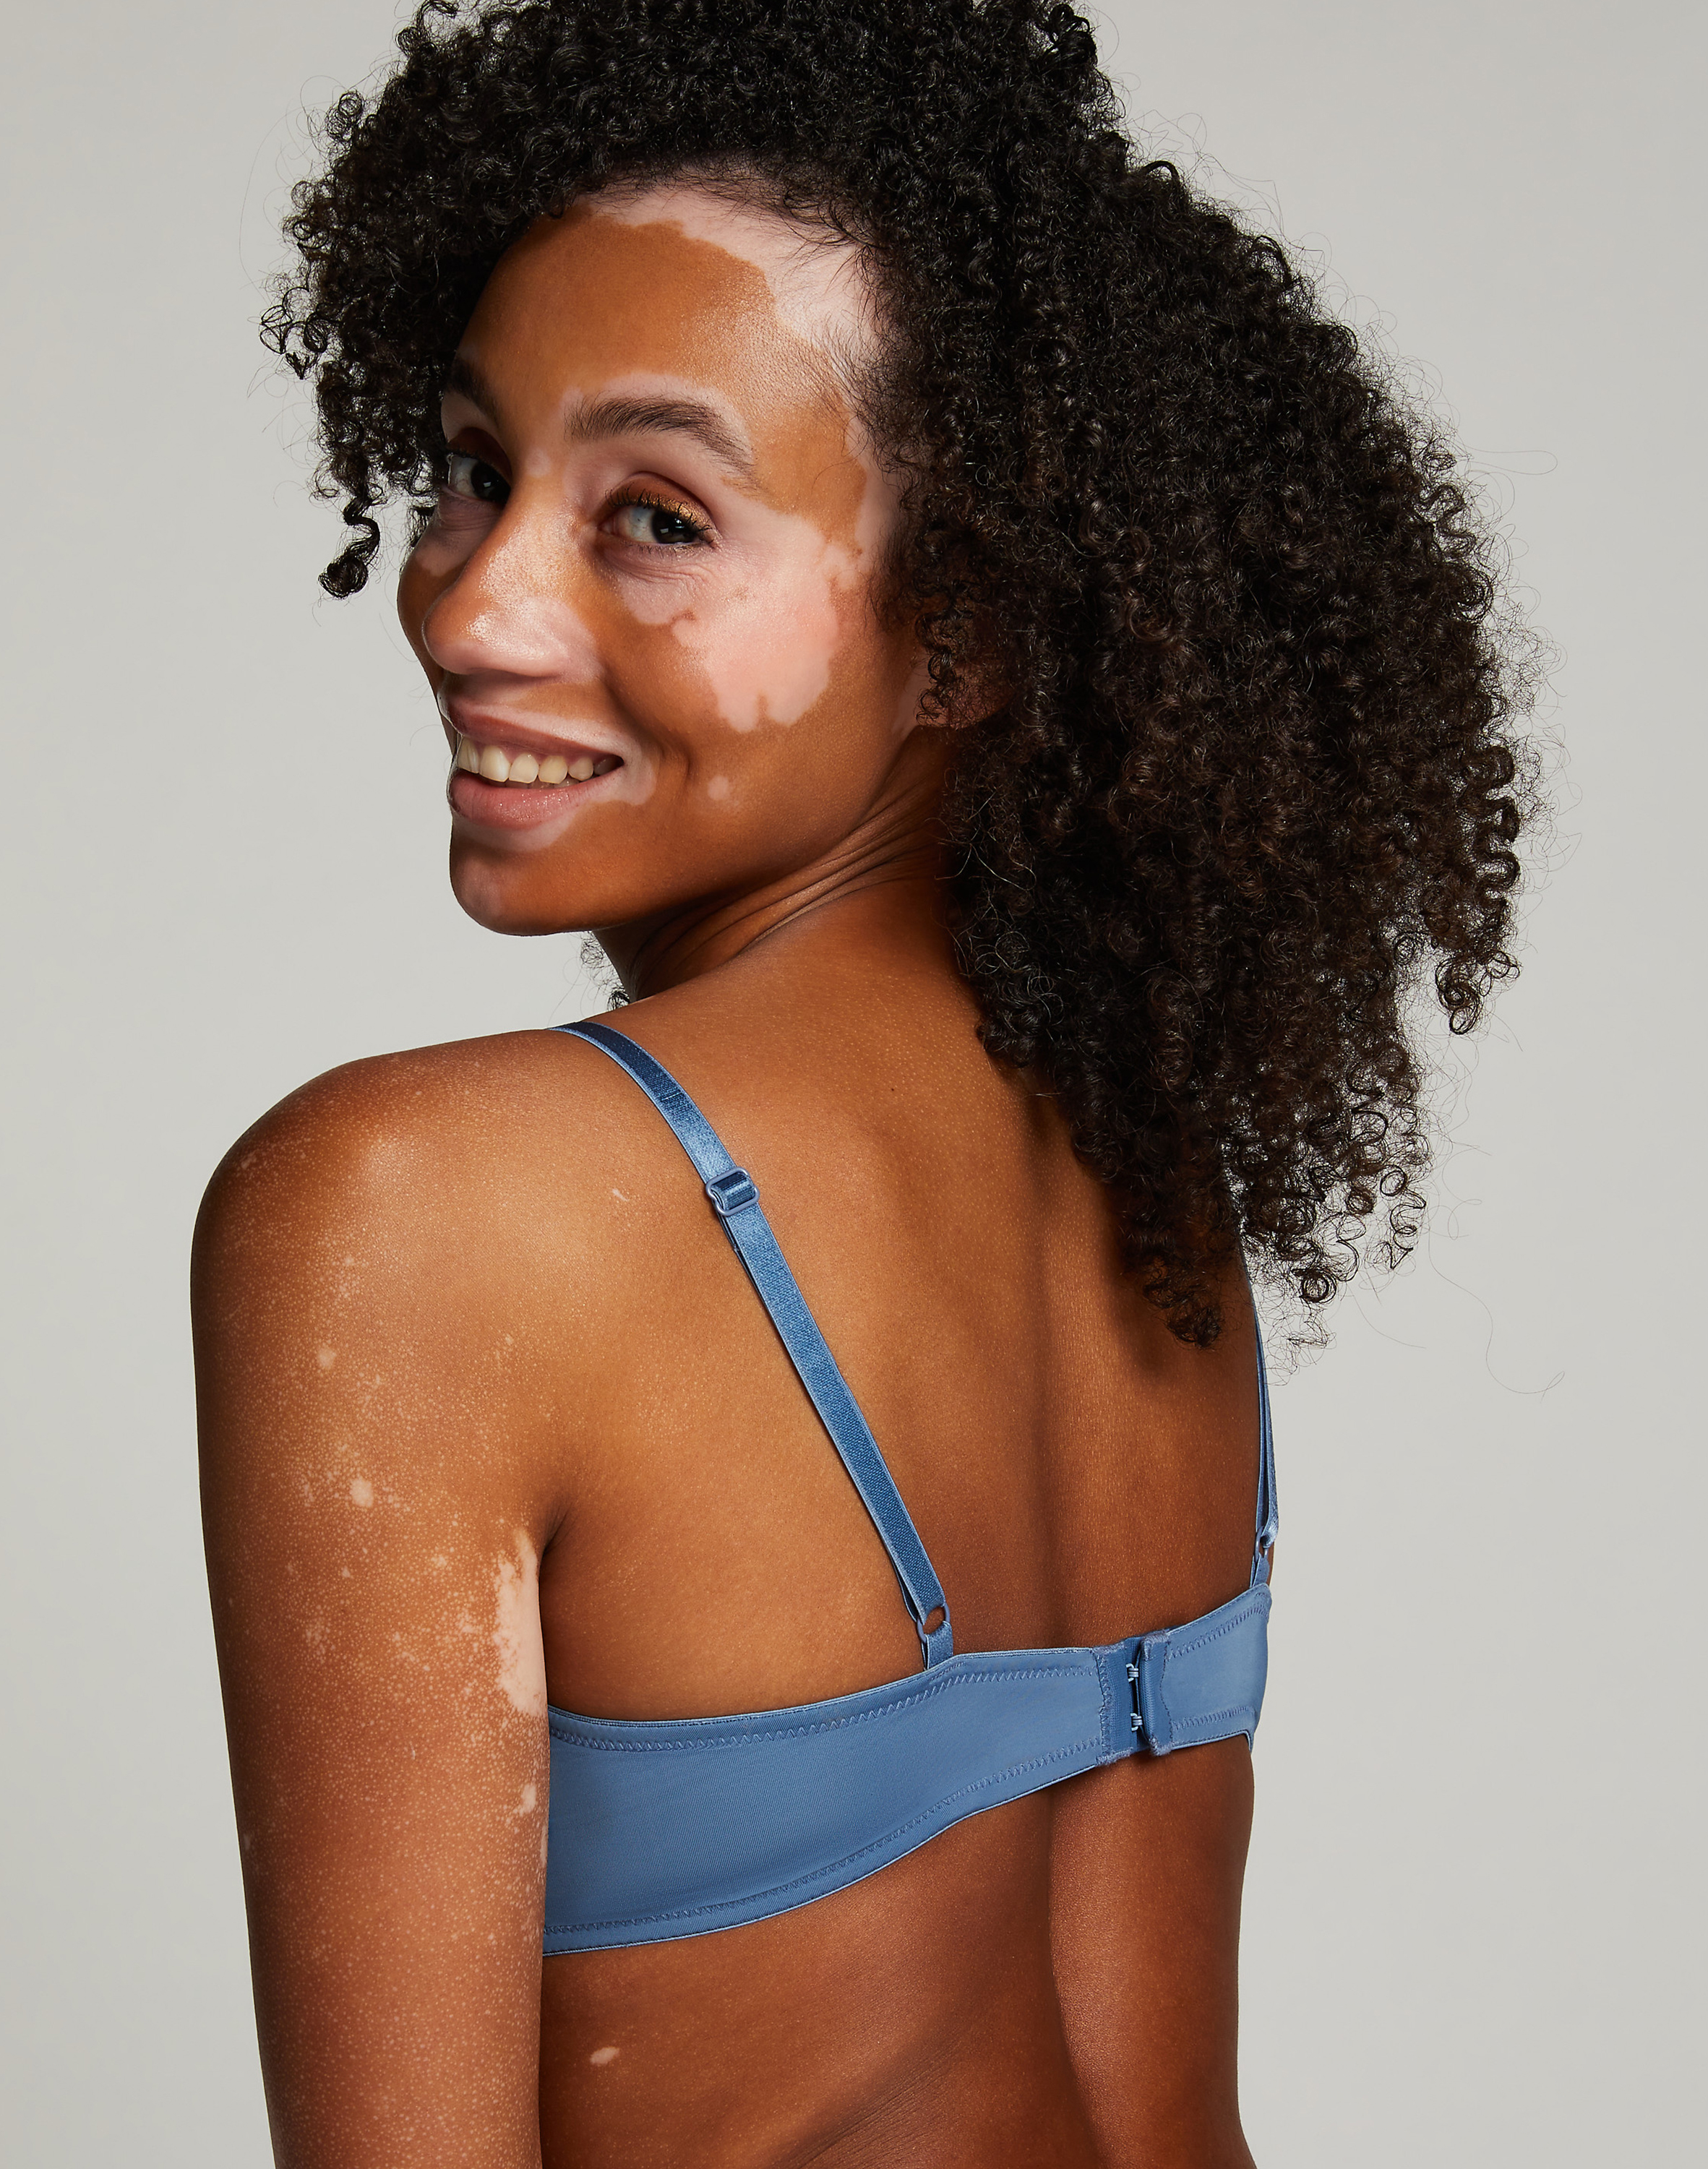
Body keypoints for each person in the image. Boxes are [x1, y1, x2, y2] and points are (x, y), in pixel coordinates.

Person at [192, 3, 1532, 2162]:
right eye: (473, 469)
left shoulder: (420, 1206)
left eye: (652, 516)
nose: (473, 606)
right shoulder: (1142, 1179)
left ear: (966, 633)